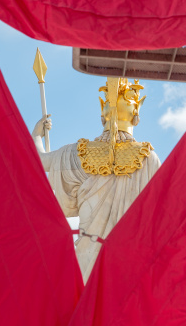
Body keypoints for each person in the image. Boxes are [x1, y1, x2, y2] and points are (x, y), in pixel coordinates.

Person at [32, 78, 160, 283]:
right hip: (128, 262)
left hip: (86, 256)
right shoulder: (147, 157)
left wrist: (37, 134)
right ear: (136, 115)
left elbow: (39, 161)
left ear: (103, 114)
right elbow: (161, 212)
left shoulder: (78, 153)